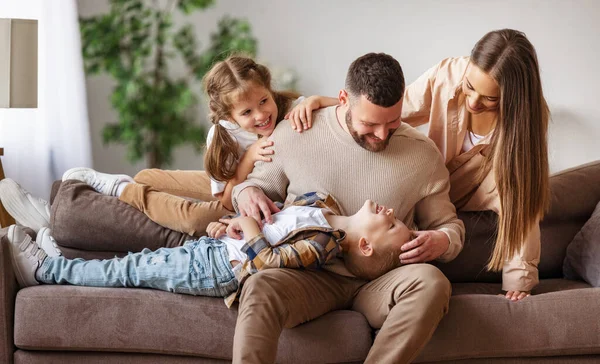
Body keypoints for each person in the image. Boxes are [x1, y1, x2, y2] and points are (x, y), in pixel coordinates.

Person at [230, 52, 465, 364]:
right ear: (343, 100)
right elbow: (254, 187)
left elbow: (449, 224)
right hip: (308, 275)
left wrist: (443, 240)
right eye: (370, 124)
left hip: (380, 282)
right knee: (261, 285)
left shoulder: (422, 154)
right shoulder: (296, 132)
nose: (382, 135)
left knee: (433, 282)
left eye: (392, 122)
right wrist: (246, 192)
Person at [0, 56, 337, 238]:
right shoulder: (224, 136)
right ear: (228, 115)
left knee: (198, 219)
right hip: (233, 185)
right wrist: (248, 157)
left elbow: (338, 104)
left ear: (270, 89)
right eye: (247, 112)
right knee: (148, 175)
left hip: (244, 197)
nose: (262, 114)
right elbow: (225, 193)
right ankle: (69, 208)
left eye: (264, 101)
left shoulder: (287, 107)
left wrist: (316, 102)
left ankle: (103, 196)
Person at [5, 192, 413, 308]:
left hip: (216, 270)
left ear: (365, 243)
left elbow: (267, 263)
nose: (392, 211)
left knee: (128, 271)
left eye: (392, 224)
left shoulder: (323, 246)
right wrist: (235, 222)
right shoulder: (323, 207)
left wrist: (249, 227)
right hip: (218, 248)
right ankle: (61, 262)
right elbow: (272, 221)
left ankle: (45, 272)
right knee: (134, 262)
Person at [402, 29, 549, 301]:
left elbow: (522, 200)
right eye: (469, 87)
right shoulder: (447, 74)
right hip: (426, 188)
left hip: (477, 191)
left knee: (515, 181)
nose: (472, 103)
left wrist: (519, 282)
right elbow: (393, 109)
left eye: (490, 99)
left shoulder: (529, 118)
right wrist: (331, 106)